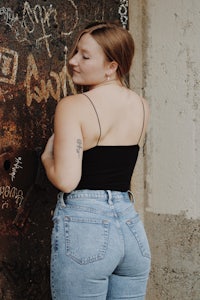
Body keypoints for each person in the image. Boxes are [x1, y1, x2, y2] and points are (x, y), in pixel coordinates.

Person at [41, 21, 151, 300]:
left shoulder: (73, 106)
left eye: (85, 56)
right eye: (75, 52)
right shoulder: (140, 104)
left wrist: (46, 159)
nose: (72, 61)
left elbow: (67, 180)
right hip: (130, 229)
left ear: (111, 66)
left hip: (87, 230)